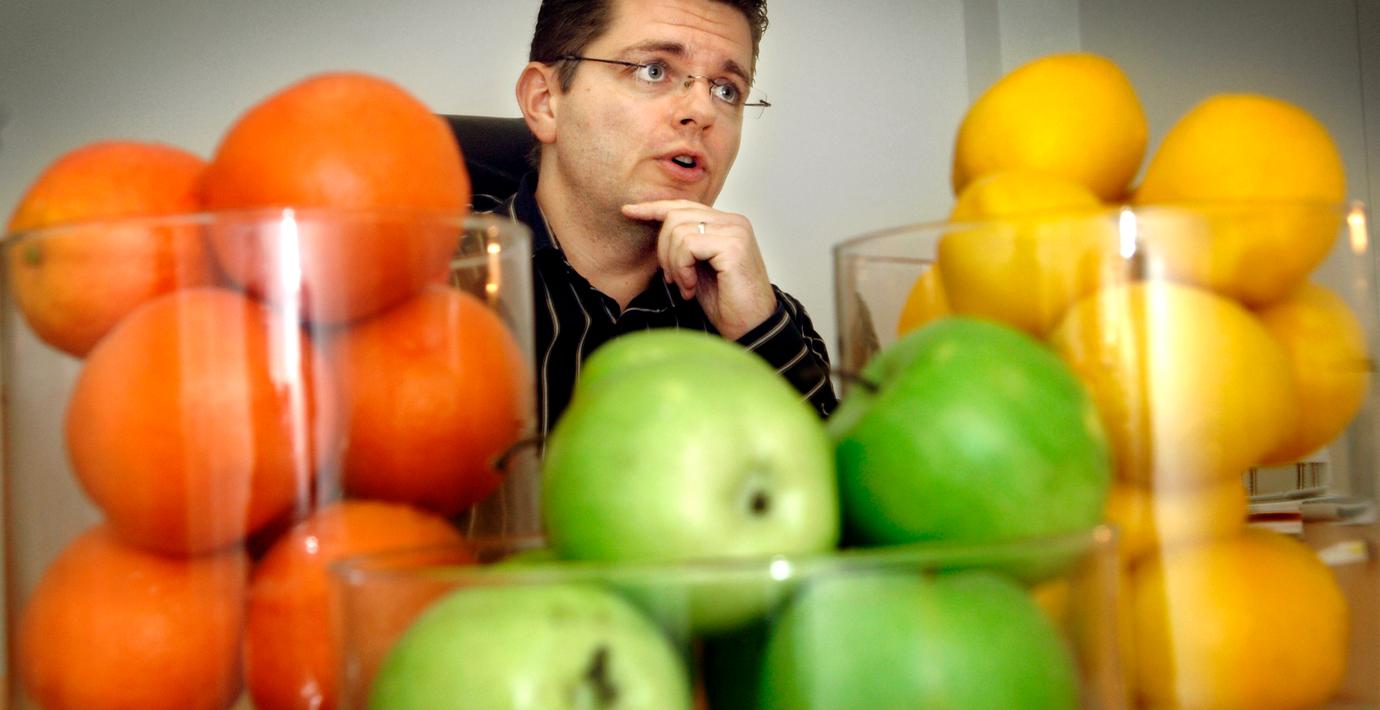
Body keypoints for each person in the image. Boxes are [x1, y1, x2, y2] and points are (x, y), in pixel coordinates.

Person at [504, 0, 836, 436]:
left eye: (726, 90)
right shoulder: (433, 276)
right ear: (545, 102)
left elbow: (832, 477)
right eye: (653, 70)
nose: (702, 112)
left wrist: (759, 335)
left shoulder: (771, 321)